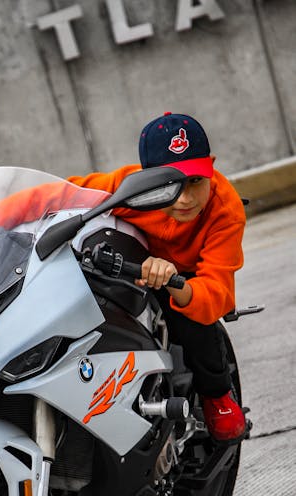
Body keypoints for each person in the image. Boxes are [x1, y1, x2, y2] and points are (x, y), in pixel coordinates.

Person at [67, 112, 247, 443]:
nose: (185, 198)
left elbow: (217, 291)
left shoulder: (226, 209)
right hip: (130, 264)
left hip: (189, 280)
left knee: (195, 325)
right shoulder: (124, 189)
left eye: (195, 181)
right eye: (168, 184)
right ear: (145, 179)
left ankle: (217, 396)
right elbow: (56, 194)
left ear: (211, 167)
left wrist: (177, 285)